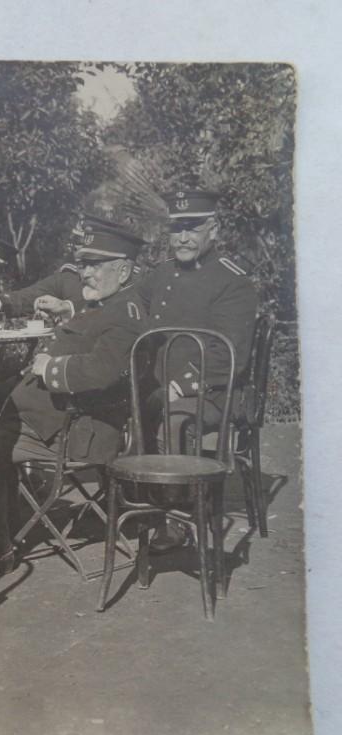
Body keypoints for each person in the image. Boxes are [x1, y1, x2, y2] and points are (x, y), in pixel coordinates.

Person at [0, 220, 148, 577]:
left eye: (96, 265)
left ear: (123, 270)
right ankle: (8, 530)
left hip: (76, 430)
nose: (86, 274)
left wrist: (50, 368)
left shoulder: (125, 313)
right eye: (84, 264)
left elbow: (103, 370)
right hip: (57, 417)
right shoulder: (107, 306)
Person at [137, 189, 261, 550]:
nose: (184, 238)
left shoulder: (232, 281)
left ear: (214, 230)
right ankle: (136, 501)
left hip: (215, 393)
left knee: (174, 417)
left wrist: (181, 386)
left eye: (193, 228)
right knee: (117, 401)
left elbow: (230, 353)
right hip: (161, 386)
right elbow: (127, 305)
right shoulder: (162, 273)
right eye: (177, 229)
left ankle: (175, 520)